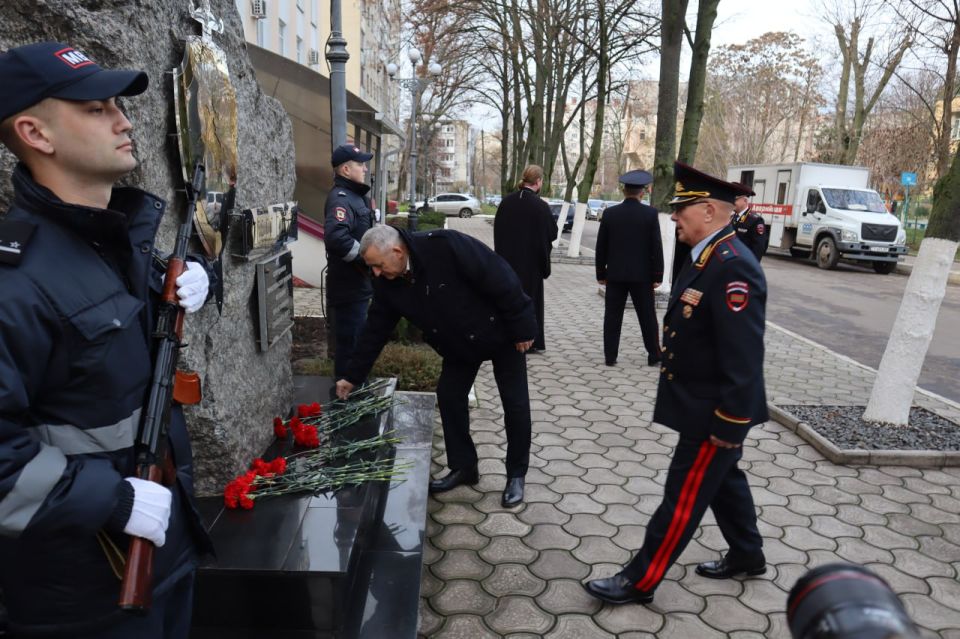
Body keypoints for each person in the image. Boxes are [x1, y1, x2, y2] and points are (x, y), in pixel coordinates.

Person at [0, 41, 214, 637]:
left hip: (164, 555)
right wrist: (110, 501)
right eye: (95, 108)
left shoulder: (114, 240)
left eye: (116, 104)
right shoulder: (14, 281)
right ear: (35, 133)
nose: (122, 120)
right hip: (82, 597)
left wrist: (205, 277)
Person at [584, 162, 768, 605]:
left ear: (706, 211)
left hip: (715, 411)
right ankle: (747, 554)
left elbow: (743, 356)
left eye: (681, 209)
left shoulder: (732, 266)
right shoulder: (708, 255)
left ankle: (640, 580)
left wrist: (730, 421)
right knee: (724, 480)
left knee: (683, 497)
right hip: (700, 401)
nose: (673, 217)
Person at [334, 225, 537, 508]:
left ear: (397, 251)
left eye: (378, 266)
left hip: (500, 332)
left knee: (514, 404)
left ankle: (516, 474)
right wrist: (352, 375)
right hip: (458, 344)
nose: (376, 274)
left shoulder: (445, 246)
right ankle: (464, 466)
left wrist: (523, 325)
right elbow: (375, 329)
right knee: (450, 397)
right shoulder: (387, 282)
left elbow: (498, 275)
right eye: (372, 268)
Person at [595, 169, 663, 367]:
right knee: (647, 317)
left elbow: (601, 246)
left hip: (615, 275)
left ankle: (610, 356)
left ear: (624, 191)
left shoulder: (610, 214)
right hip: (642, 276)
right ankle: (654, 354)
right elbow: (656, 246)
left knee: (612, 316)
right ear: (643, 192)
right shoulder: (650, 214)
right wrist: (658, 274)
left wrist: (601, 273)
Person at [324, 143, 376, 379]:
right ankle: (348, 401)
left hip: (357, 286)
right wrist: (368, 260)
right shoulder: (341, 198)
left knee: (357, 345)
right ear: (345, 169)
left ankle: (354, 394)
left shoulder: (355, 197)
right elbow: (336, 238)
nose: (365, 169)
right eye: (360, 164)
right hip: (348, 289)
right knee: (351, 348)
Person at [493, 164, 557, 353]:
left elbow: (498, 230)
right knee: (531, 301)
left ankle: (507, 336)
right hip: (531, 264)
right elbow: (551, 233)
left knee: (508, 299)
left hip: (507, 262)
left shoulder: (506, 202)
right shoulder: (541, 206)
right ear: (538, 182)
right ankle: (531, 341)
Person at [730, 184, 768, 262]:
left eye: (735, 200)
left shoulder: (755, 221)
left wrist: (751, 267)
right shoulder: (732, 218)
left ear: (745, 200)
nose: (732, 202)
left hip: (744, 264)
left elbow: (758, 248)